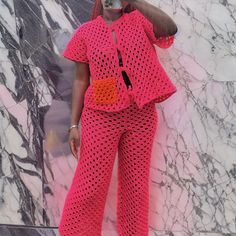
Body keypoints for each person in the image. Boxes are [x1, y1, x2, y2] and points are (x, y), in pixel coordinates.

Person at [58, 0, 178, 235]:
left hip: (141, 113)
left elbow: (169, 29)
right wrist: (74, 124)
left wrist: (133, 2)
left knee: (135, 186)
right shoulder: (86, 32)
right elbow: (81, 80)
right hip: (100, 114)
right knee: (90, 184)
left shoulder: (139, 21)